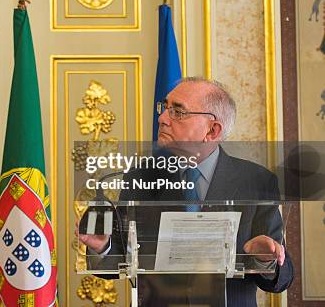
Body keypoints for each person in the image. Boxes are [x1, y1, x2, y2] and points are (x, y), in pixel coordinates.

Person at [78, 77, 293, 307]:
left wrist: (265, 259)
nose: (162, 118)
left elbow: (283, 278)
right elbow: (119, 259)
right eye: (165, 108)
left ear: (212, 130)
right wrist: (102, 246)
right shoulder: (141, 178)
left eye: (178, 112)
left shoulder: (256, 181)